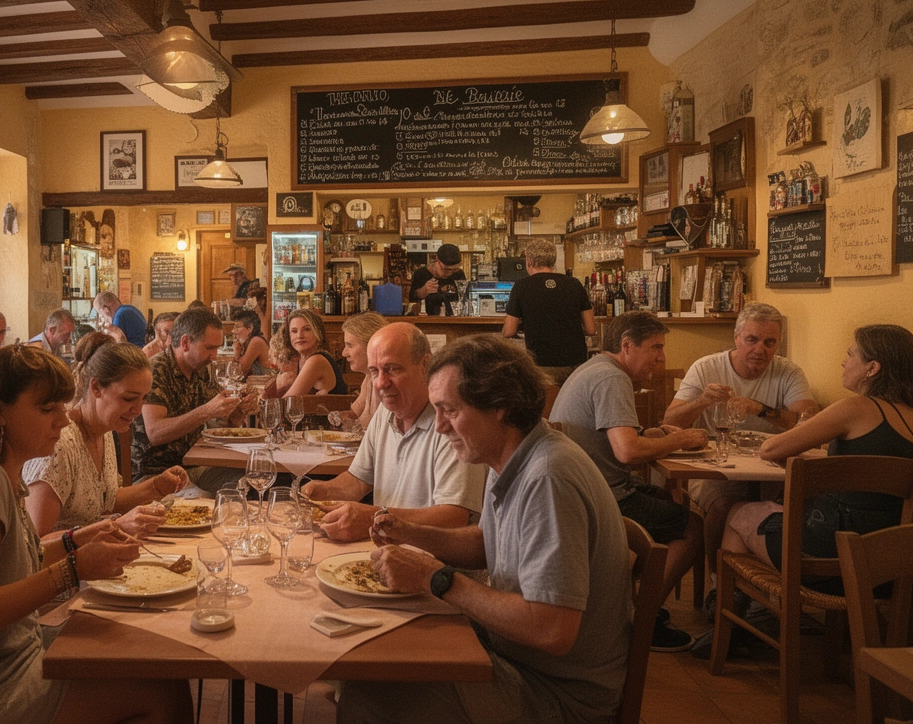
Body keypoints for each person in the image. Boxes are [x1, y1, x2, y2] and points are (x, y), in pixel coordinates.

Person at [337, 334, 632, 724]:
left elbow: (552, 629)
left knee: (369, 692)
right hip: (514, 657)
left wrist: (436, 579)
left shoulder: (549, 478)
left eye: (450, 411)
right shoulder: (512, 454)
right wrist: (407, 531)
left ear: (500, 406)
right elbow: (483, 543)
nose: (439, 426)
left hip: (556, 693)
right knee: (373, 662)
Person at [0, 344, 193, 724]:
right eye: (47, 409)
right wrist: (72, 568)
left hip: (6, 655)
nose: (64, 421)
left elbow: (15, 559)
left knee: (139, 646)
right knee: (163, 688)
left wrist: (75, 541)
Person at [722, 324, 913, 592]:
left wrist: (803, 428)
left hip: (833, 557)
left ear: (872, 368)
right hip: (898, 565)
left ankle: (734, 619)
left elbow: (771, 449)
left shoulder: (855, 408)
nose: (844, 362)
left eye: (851, 354)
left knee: (738, 513)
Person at [548, 310, 708, 651]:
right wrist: (680, 440)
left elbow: (619, 436)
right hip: (601, 497)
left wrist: (655, 433)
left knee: (667, 506)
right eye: (656, 348)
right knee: (693, 527)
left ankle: (631, 602)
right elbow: (627, 452)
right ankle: (640, 618)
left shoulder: (594, 368)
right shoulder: (612, 378)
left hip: (585, 489)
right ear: (626, 346)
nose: (662, 358)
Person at [662, 302, 819, 580]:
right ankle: (718, 582)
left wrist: (760, 409)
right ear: (736, 338)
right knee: (724, 505)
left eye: (770, 342)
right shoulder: (706, 368)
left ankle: (765, 587)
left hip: (773, 467)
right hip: (717, 467)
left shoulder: (789, 371)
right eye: (752, 339)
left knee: (797, 506)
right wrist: (701, 401)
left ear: (778, 343)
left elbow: (808, 421)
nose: (760, 349)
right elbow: (669, 421)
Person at [301, 323, 484, 542]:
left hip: (436, 565)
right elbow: (359, 481)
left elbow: (454, 517)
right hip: (384, 552)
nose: (381, 383)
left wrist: (375, 518)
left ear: (425, 364)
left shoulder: (451, 421)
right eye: (374, 371)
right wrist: (322, 492)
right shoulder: (385, 412)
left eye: (393, 369)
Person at [23, 342, 189, 536]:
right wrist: (116, 526)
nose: (137, 410)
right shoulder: (59, 444)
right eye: (128, 399)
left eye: (143, 398)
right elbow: (36, 542)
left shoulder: (105, 430)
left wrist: (156, 486)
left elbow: (102, 501)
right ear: (96, 387)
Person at [131, 308, 258, 493]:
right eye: (209, 348)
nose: (214, 356)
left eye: (217, 348)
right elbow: (155, 433)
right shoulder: (156, 370)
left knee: (253, 482)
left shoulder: (201, 369)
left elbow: (226, 422)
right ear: (185, 342)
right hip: (156, 475)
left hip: (194, 465)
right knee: (212, 501)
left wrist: (241, 408)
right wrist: (207, 411)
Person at [501, 238, 596, 385]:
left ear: (529, 261)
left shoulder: (521, 287)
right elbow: (591, 329)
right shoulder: (574, 284)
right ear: (553, 261)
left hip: (542, 363)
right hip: (576, 363)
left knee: (546, 405)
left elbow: (509, 331)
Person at [277, 308, 349, 397]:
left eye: (307, 329)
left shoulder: (316, 360)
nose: (299, 335)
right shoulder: (301, 360)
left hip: (337, 410)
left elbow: (289, 401)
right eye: (294, 331)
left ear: (318, 332)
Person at [338, 311, 388, 430]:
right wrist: (335, 416)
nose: (344, 353)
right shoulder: (368, 378)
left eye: (350, 345)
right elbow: (353, 413)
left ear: (371, 345)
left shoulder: (386, 384)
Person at [410, 243, 465, 316]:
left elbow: (464, 297)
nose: (450, 273)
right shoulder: (420, 274)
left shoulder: (459, 274)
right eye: (447, 269)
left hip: (453, 319)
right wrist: (423, 291)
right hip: (427, 320)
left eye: (454, 269)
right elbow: (411, 299)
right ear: (437, 260)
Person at [229, 309, 269, 377]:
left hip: (265, 385)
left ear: (250, 329)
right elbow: (233, 372)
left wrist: (236, 352)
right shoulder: (247, 342)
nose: (233, 331)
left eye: (237, 327)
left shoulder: (256, 341)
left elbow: (240, 371)